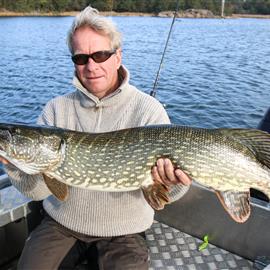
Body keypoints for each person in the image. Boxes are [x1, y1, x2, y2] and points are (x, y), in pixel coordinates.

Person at [0, 6, 191, 270]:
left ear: (117, 56)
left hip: (125, 232)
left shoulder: (148, 110)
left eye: (101, 55)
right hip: (61, 225)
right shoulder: (56, 109)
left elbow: (169, 193)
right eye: (81, 58)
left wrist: (171, 182)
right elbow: (37, 191)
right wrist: (13, 163)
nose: (91, 66)